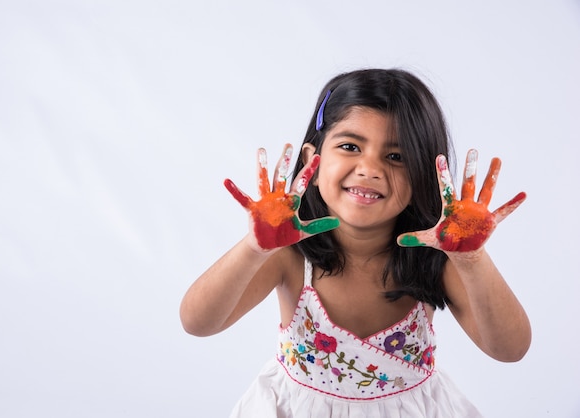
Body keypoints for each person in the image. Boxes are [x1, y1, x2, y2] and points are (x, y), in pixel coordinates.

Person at [179, 68, 531, 417]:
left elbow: (509, 349)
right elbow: (198, 322)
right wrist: (254, 249)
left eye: (396, 156)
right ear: (311, 163)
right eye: (350, 146)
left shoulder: (435, 258)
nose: (369, 168)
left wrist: (472, 260)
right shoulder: (289, 255)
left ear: (423, 176)